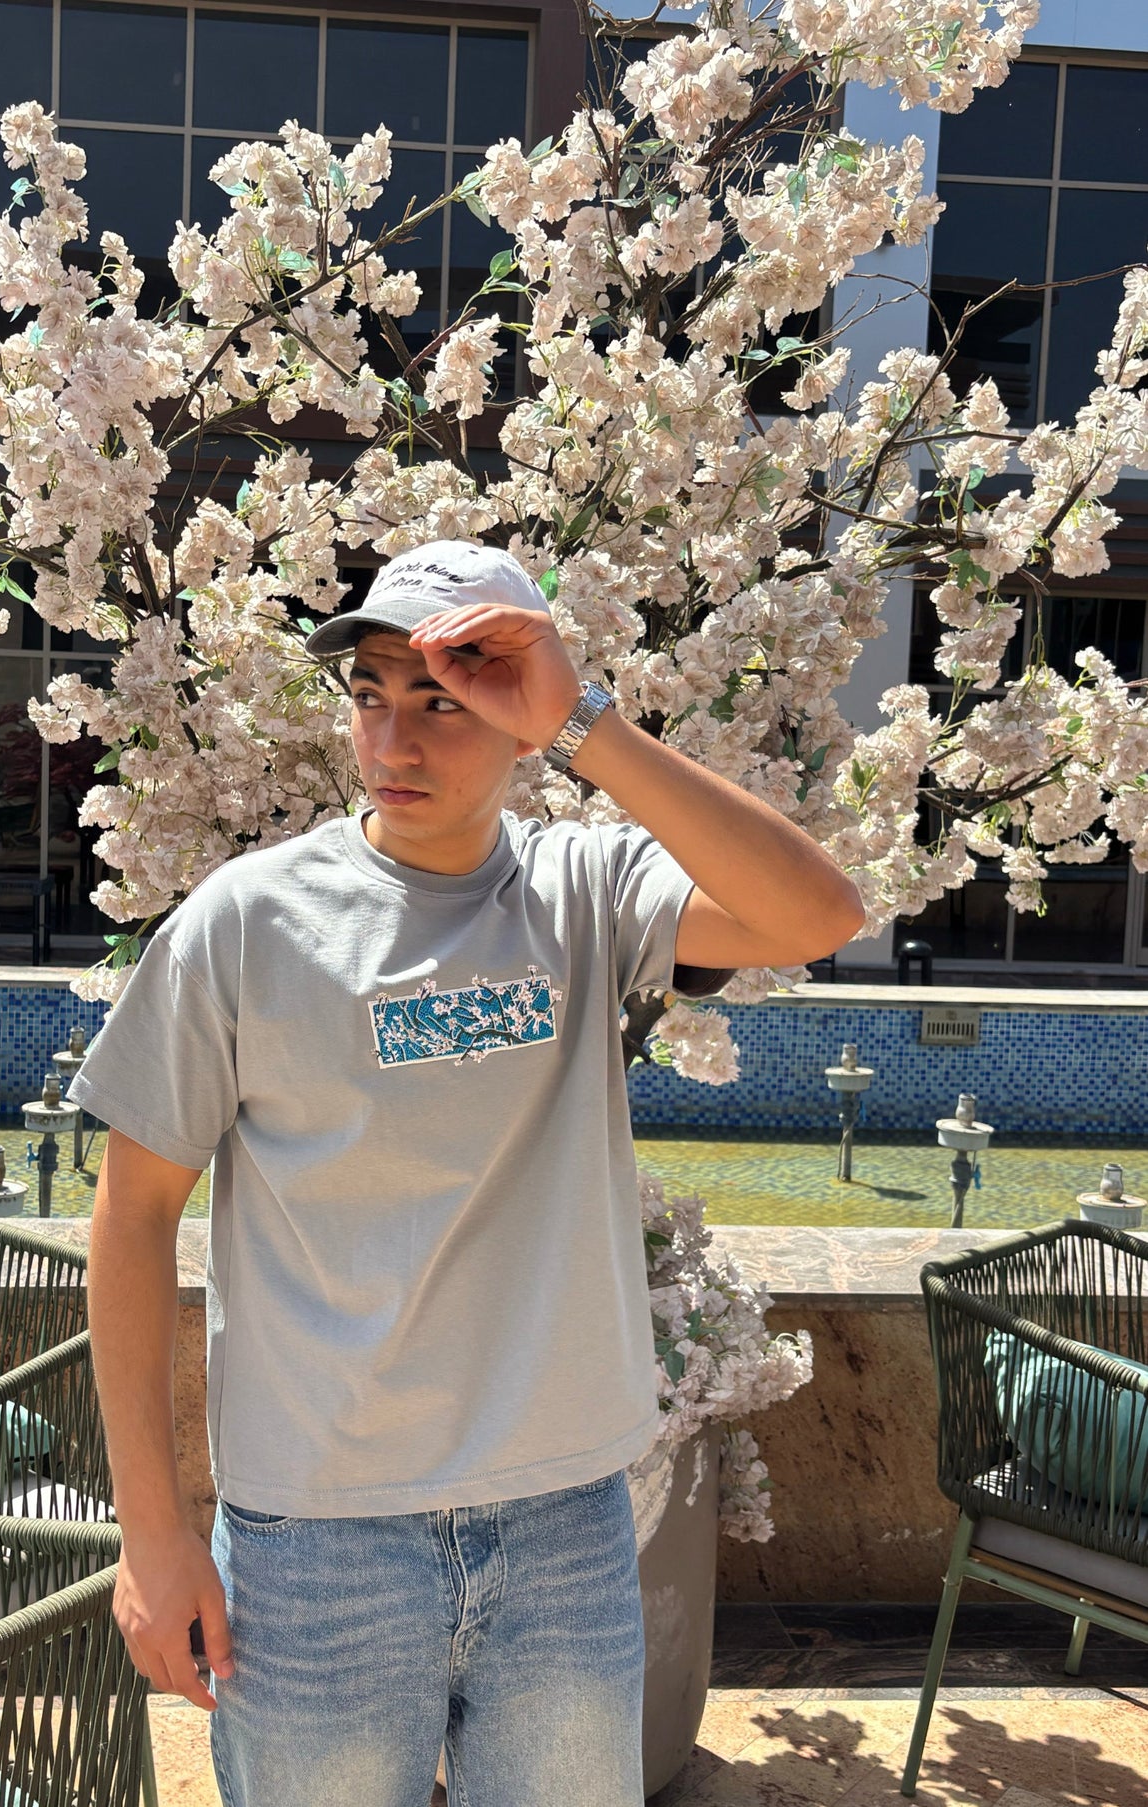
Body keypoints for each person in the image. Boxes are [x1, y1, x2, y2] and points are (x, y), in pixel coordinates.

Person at [69, 540, 865, 1807]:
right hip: (315, 1537)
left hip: (562, 1520)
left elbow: (815, 914)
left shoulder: (583, 890)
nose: (393, 740)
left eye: (443, 697)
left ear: (519, 709)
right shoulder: (243, 922)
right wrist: (153, 1538)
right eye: (372, 693)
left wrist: (586, 724)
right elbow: (131, 1220)